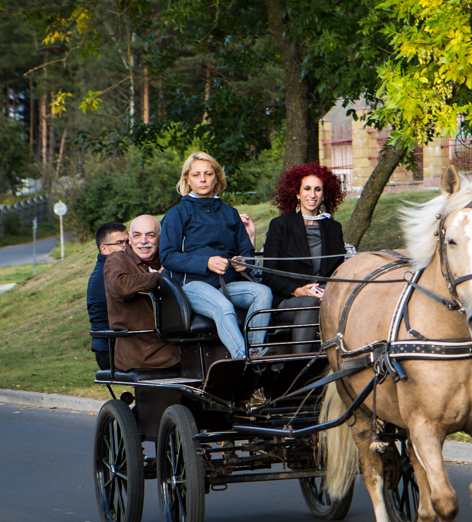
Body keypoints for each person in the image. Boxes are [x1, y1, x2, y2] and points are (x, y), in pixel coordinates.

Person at [159, 151, 272, 359]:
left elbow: (246, 251)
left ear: (217, 177)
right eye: (196, 174)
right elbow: (167, 256)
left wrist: (244, 262)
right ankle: (245, 360)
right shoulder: (178, 213)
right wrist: (207, 262)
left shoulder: (230, 213)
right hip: (191, 285)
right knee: (223, 306)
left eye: (208, 174)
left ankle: (256, 352)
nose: (202, 179)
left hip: (228, 283)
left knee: (263, 293)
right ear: (187, 179)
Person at [263, 163, 347, 354]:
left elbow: (338, 270)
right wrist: (298, 290)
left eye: (318, 189)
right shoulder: (280, 225)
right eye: (307, 189)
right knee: (310, 303)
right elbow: (269, 274)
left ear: (324, 195)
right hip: (289, 299)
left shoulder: (333, 228)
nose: (312, 195)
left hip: (325, 296)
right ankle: (301, 364)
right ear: (297, 194)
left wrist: (328, 290)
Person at [104, 215, 181, 371]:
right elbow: (120, 287)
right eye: (137, 235)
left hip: (173, 343)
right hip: (142, 351)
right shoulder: (117, 259)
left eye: (150, 235)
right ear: (129, 240)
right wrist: (158, 277)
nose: (143, 241)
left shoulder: (169, 260)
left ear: (160, 239)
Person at [86, 222, 128, 370]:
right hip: (110, 351)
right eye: (119, 243)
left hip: (121, 344)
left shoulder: (115, 268)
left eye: (127, 241)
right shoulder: (107, 274)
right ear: (103, 249)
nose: (126, 246)